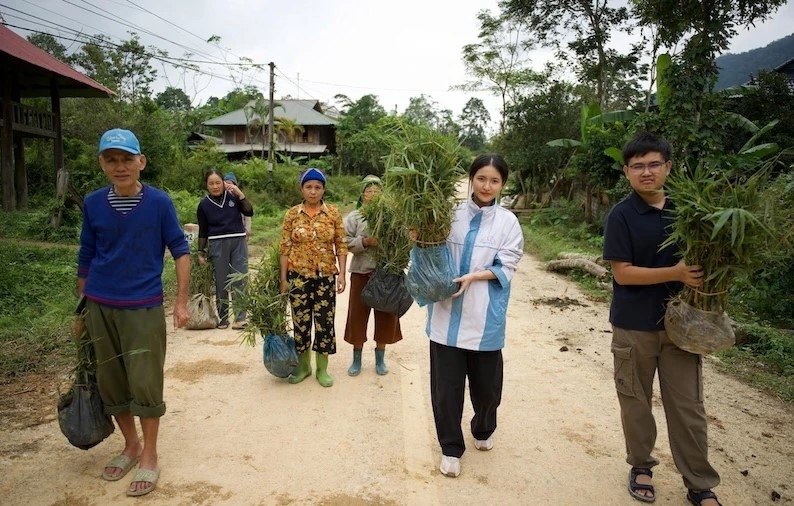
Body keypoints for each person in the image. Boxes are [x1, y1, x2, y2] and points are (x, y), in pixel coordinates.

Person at [603, 132, 721, 506]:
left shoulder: (691, 212)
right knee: (636, 403)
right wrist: (677, 273)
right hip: (633, 326)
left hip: (683, 329)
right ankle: (640, 466)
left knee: (688, 408)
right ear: (626, 172)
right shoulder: (621, 215)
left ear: (668, 167)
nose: (646, 172)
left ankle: (700, 484)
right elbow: (622, 273)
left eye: (654, 164)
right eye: (637, 166)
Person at [77, 128, 190, 497]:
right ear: (102, 164)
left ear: (141, 162)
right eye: (112, 159)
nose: (120, 166)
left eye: (127, 159)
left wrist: (180, 300)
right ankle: (130, 445)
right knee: (112, 381)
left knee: (145, 383)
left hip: (142, 306)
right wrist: (81, 309)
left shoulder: (159, 204)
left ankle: (151, 455)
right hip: (99, 304)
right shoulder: (93, 203)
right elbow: (86, 256)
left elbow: (180, 250)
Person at [425, 154, 524, 478]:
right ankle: (451, 447)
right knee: (446, 389)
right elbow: (430, 247)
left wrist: (474, 276)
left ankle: (483, 428)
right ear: (471, 179)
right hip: (446, 316)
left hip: (484, 318)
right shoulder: (449, 214)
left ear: (502, 185)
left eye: (494, 180)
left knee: (487, 389)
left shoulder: (507, 222)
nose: (486, 185)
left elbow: (508, 264)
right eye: (481, 178)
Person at [279, 167, 348, 387]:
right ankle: (303, 367)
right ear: (302, 189)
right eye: (308, 187)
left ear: (323, 189)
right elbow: (284, 248)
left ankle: (322, 369)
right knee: (301, 322)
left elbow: (341, 245)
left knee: (324, 323)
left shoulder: (333, 213)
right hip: (298, 277)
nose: (313, 191)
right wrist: (283, 279)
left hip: (325, 277)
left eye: (317, 187)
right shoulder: (292, 214)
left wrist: (342, 275)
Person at [342, 174, 403, 376]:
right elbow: (343, 240)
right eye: (369, 190)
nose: (373, 194)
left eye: (377, 190)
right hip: (361, 273)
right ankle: (356, 359)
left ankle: (380, 358)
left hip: (387, 274)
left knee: (386, 316)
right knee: (357, 316)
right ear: (362, 194)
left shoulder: (392, 215)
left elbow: (402, 240)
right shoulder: (354, 217)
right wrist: (364, 242)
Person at [196, 168, 254, 329]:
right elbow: (203, 230)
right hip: (217, 243)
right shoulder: (204, 205)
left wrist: (239, 193)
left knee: (240, 278)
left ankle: (240, 318)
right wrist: (200, 252)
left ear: (223, 182)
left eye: (218, 182)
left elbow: (249, 211)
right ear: (206, 185)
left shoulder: (233, 197)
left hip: (238, 241)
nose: (215, 186)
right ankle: (223, 318)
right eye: (211, 183)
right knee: (221, 281)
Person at [223, 172, 252, 242]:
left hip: (240, 232)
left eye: (230, 183)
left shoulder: (240, 198)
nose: (228, 186)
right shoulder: (222, 198)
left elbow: (247, 217)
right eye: (226, 183)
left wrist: (247, 231)